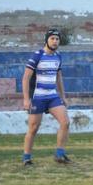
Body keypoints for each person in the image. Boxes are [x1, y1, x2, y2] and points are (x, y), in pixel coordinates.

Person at [21, 28, 71, 166]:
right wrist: (26, 99)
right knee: (33, 128)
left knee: (65, 122)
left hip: (52, 97)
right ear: (47, 40)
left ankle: (59, 154)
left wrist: (63, 96)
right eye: (52, 39)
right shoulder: (37, 55)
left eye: (57, 39)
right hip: (37, 97)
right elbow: (25, 78)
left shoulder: (58, 56)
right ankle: (26, 158)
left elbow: (58, 78)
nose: (55, 41)